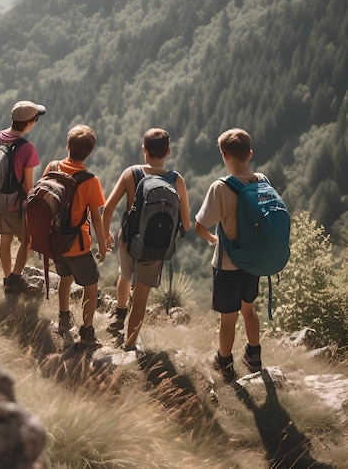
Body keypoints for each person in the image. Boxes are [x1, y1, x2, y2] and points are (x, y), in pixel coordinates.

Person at [103, 128, 191, 351]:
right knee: (141, 300)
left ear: (144, 151)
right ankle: (129, 346)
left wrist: (105, 236)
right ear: (168, 152)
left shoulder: (131, 173)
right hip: (155, 247)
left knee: (125, 276)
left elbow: (108, 208)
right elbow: (187, 224)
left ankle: (119, 314)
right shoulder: (176, 179)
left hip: (127, 241)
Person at [195, 128, 264, 381]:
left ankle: (224, 362)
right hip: (254, 261)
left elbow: (200, 226)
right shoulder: (262, 181)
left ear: (225, 156)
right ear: (250, 154)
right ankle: (254, 355)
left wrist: (213, 239)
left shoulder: (220, 187)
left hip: (228, 263)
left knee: (228, 317)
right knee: (249, 308)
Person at [45, 124, 108, 347]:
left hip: (56, 240)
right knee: (91, 285)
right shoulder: (90, 180)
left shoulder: (52, 166)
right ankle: (87, 331)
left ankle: (63, 320)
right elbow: (97, 217)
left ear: (67, 145)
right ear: (89, 152)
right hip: (78, 244)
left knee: (65, 278)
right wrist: (102, 245)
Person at [0, 100, 46, 295]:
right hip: (15, 205)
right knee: (29, 241)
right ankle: (14, 280)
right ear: (29, 123)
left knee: (5, 238)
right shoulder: (27, 148)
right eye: (35, 119)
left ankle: (7, 276)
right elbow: (28, 185)